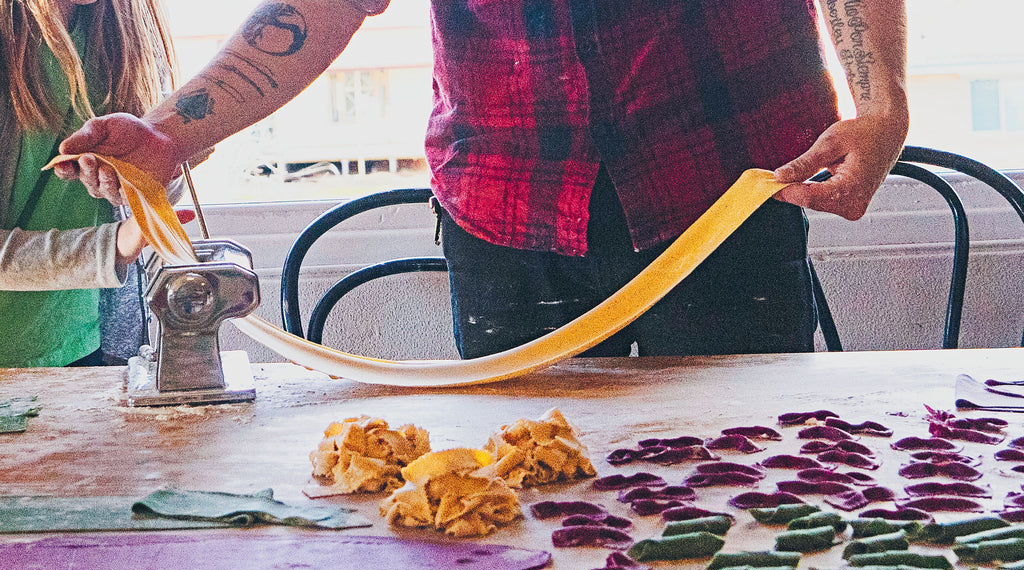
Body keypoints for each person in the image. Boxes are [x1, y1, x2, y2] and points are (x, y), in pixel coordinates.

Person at [57, 0, 909, 359]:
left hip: (725, 198)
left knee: (750, 506)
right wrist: (168, 132)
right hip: (508, 221)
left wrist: (884, 103)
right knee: (528, 514)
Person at [0, 0, 184, 367]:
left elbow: (164, 177)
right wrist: (112, 248)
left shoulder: (129, 27)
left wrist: (145, 180)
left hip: (90, 339)